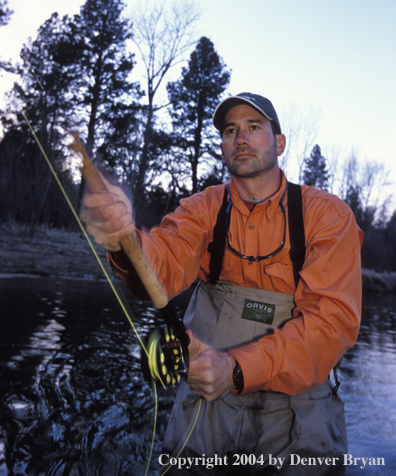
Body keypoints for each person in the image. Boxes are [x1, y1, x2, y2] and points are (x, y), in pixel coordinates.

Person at [81, 92, 363, 475]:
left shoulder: (328, 215)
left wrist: (235, 368)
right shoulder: (202, 208)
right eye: (230, 130)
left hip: (302, 408)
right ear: (223, 146)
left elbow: (330, 325)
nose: (240, 138)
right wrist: (123, 238)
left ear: (279, 143)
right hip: (207, 398)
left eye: (253, 127)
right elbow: (160, 262)